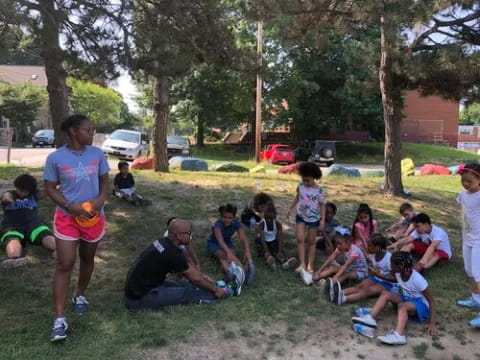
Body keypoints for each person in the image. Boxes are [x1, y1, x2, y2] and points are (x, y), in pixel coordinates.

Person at [43, 114, 110, 342]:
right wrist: (69, 206)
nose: (92, 134)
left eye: (92, 130)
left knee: (88, 258)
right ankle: (59, 320)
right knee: (65, 263)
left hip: (93, 217)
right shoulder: (56, 158)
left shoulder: (97, 154)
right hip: (67, 217)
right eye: (88, 130)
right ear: (73, 131)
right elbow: (50, 187)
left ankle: (79, 295)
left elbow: (104, 184)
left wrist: (98, 203)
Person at [125, 219, 238, 310]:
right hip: (140, 298)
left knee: (185, 284)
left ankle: (217, 287)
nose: (190, 236)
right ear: (179, 236)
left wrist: (204, 278)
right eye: (189, 233)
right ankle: (218, 293)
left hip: (146, 287)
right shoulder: (171, 253)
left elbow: (188, 268)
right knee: (186, 292)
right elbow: (195, 278)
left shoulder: (163, 243)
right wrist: (215, 290)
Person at [352, 251, 438, 345]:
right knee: (386, 293)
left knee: (402, 306)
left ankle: (399, 335)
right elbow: (394, 279)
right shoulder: (399, 273)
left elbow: (431, 300)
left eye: (392, 264)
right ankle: (371, 318)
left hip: (421, 306)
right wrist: (378, 275)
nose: (390, 265)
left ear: (400, 267)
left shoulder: (417, 280)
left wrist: (432, 323)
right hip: (408, 299)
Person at [1, 174, 56, 268]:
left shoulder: (33, 195)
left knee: (44, 234)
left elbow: (47, 191)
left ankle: (59, 250)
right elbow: (6, 196)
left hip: (33, 223)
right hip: (12, 224)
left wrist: (57, 183)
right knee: (12, 237)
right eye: (20, 190)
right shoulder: (10, 193)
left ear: (31, 191)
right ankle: (15, 258)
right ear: (16, 186)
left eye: (25, 192)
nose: (22, 193)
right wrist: (8, 200)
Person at [287, 162, 326, 286]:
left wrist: (322, 220)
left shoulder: (319, 190)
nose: (305, 182)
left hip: (314, 219)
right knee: (299, 239)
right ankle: (302, 263)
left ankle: (310, 265)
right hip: (301, 216)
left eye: (308, 180)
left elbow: (322, 205)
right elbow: (297, 197)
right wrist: (290, 208)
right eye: (303, 179)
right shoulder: (300, 186)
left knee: (312, 241)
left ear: (314, 177)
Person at [331, 234, 394, 305]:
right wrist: (373, 270)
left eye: (370, 246)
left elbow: (395, 279)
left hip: (388, 283)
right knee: (359, 286)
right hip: (376, 277)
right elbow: (375, 266)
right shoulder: (373, 254)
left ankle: (343, 299)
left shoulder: (389, 259)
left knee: (367, 291)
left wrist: (379, 275)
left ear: (377, 247)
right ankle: (337, 293)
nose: (367, 247)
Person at [312, 226, 368, 300]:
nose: (338, 246)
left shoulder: (355, 251)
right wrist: (320, 269)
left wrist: (335, 277)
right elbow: (330, 258)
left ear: (349, 241)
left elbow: (346, 265)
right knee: (332, 268)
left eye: (340, 243)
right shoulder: (340, 247)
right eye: (336, 243)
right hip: (349, 268)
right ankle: (315, 277)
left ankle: (329, 286)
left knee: (346, 275)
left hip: (359, 271)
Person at [455, 163, 480, 328]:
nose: (466, 184)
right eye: (463, 180)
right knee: (470, 271)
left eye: (469, 181)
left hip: (479, 240)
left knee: (479, 275)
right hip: (467, 239)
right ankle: (475, 299)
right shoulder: (462, 194)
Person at [208, 204, 255, 285]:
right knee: (223, 256)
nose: (227, 220)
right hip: (214, 244)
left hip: (228, 243)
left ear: (233, 218)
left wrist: (247, 252)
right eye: (224, 217)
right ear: (221, 217)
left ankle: (238, 273)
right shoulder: (217, 225)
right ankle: (236, 273)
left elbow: (243, 238)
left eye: (230, 218)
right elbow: (220, 241)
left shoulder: (236, 223)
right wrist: (228, 252)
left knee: (232, 257)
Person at [255, 203, 297, 269]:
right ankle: (270, 261)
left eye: (271, 218)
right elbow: (262, 239)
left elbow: (280, 238)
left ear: (275, 217)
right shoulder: (261, 225)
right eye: (267, 218)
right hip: (264, 243)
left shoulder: (278, 224)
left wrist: (280, 251)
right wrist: (267, 251)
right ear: (264, 217)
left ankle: (284, 262)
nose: (268, 220)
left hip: (274, 242)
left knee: (279, 252)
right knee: (265, 252)